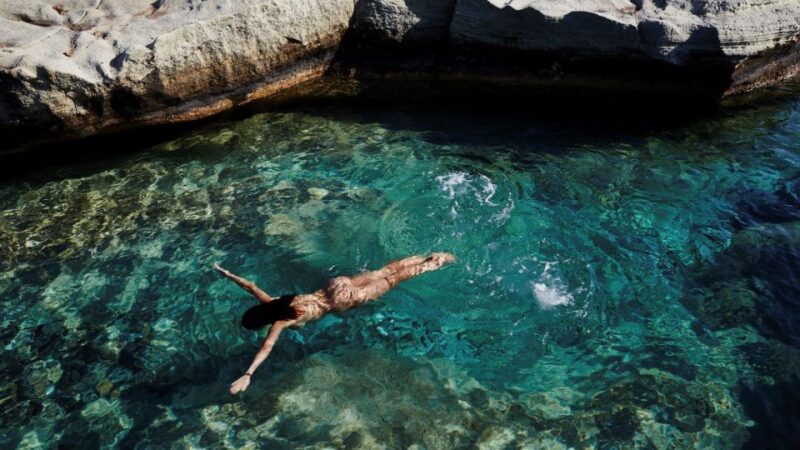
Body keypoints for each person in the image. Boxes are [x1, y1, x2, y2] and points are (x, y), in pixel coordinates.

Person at [213, 252, 455, 394]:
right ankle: (430, 254)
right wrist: (226, 273)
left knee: (396, 280)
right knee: (385, 271)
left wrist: (248, 373)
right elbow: (250, 286)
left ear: (262, 324)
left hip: (342, 301)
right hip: (335, 285)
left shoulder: (280, 322)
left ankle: (437, 262)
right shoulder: (271, 302)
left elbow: (266, 348)